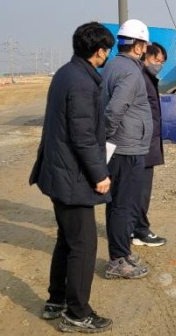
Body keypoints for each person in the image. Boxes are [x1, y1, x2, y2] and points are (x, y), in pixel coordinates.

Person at [29, 22, 115, 333]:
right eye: (107, 49)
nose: (107, 54)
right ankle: (78, 312)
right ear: (99, 51)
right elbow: (83, 136)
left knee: (67, 239)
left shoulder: (67, 73)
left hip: (59, 172)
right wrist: (100, 174)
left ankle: (57, 300)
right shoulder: (81, 82)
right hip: (72, 175)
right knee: (84, 244)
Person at [101, 19, 153, 279]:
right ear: (139, 46)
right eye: (144, 45)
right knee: (124, 204)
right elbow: (115, 109)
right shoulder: (131, 71)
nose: (145, 50)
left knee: (118, 203)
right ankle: (118, 260)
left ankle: (121, 251)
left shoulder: (113, 65)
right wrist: (110, 138)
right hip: (127, 148)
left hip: (122, 146)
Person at [132, 42, 167, 247]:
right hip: (143, 144)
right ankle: (140, 231)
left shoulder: (147, 77)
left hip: (147, 142)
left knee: (138, 189)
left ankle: (133, 228)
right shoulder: (141, 79)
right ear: (146, 55)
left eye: (162, 62)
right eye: (157, 60)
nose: (159, 65)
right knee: (141, 190)